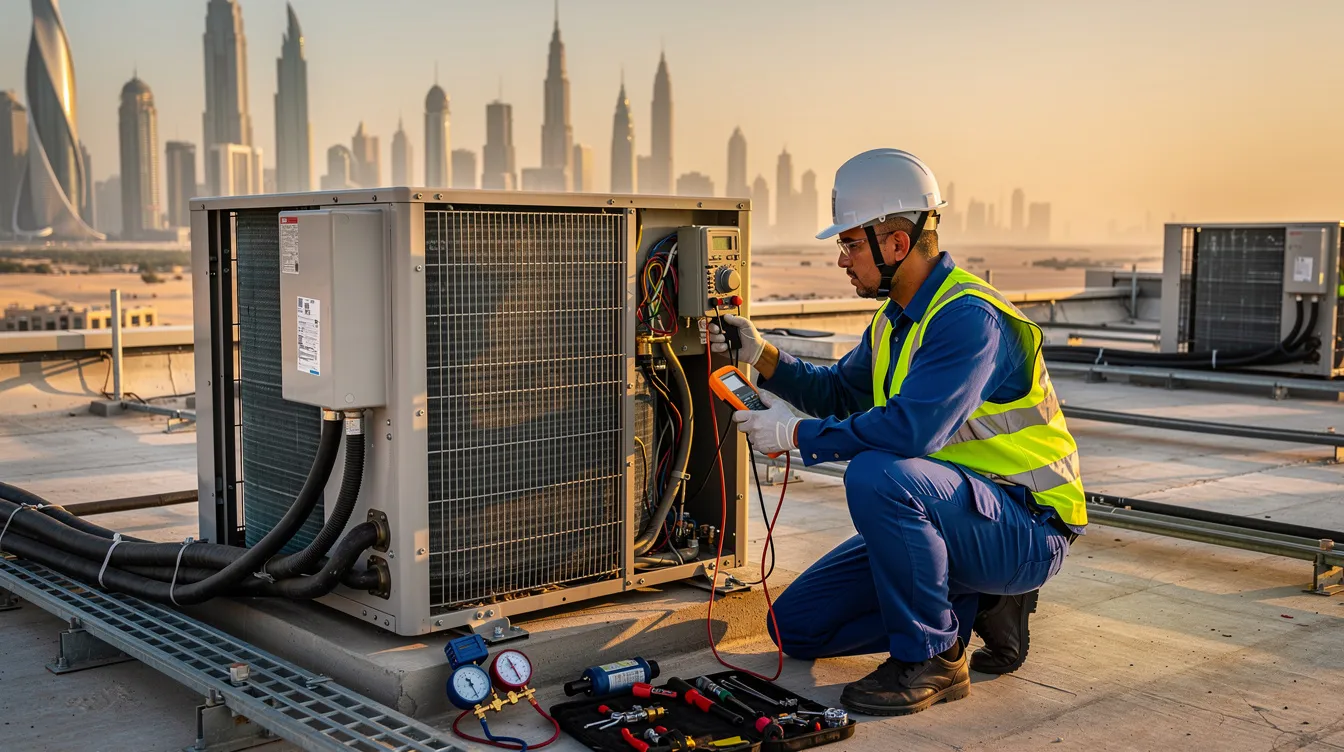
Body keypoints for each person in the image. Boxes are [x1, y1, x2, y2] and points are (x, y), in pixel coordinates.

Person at [709, 148, 1086, 717]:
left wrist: (794, 437)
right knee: (795, 628)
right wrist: (761, 355)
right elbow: (839, 390)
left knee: (878, 475)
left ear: (897, 243)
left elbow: (911, 433)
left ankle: (934, 655)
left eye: (850, 243)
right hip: (958, 513)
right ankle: (971, 601)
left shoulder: (968, 319)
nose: (841, 259)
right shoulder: (897, 319)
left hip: (1027, 523)